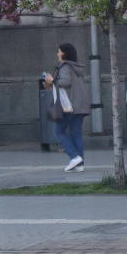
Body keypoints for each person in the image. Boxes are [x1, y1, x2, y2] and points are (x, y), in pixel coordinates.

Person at [43, 43, 90, 172]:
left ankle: (74, 157)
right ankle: (80, 164)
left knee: (58, 131)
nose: (57, 54)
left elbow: (65, 82)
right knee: (76, 134)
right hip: (80, 105)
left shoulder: (64, 66)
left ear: (64, 53)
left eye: (59, 52)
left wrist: (52, 80)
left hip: (69, 105)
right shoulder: (76, 67)